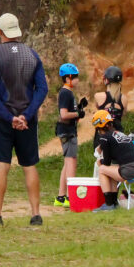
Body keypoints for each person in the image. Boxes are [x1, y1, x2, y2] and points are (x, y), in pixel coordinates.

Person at [0, 12, 48, 227]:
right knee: (29, 165)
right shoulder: (32, 55)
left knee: (2, 165)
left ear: (0, 32)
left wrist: (9, 117)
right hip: (27, 120)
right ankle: (36, 214)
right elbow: (42, 89)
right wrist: (25, 115)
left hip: (2, 120)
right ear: (17, 30)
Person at [91, 110, 134, 213]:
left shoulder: (105, 138)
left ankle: (109, 204)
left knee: (102, 169)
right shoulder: (120, 134)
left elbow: (106, 163)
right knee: (111, 171)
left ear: (99, 127)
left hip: (131, 169)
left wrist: (100, 162)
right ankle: (114, 203)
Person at [53, 63, 86, 208]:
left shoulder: (68, 93)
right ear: (69, 78)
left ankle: (61, 197)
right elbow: (64, 114)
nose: (78, 80)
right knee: (72, 162)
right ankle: (72, 197)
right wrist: (77, 113)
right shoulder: (65, 93)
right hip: (67, 132)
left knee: (68, 163)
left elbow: (71, 115)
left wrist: (79, 110)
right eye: (76, 77)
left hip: (68, 129)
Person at [93, 65, 126, 134]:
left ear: (106, 80)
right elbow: (123, 116)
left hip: (103, 135)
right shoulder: (124, 99)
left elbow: (98, 111)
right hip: (118, 135)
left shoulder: (98, 96)